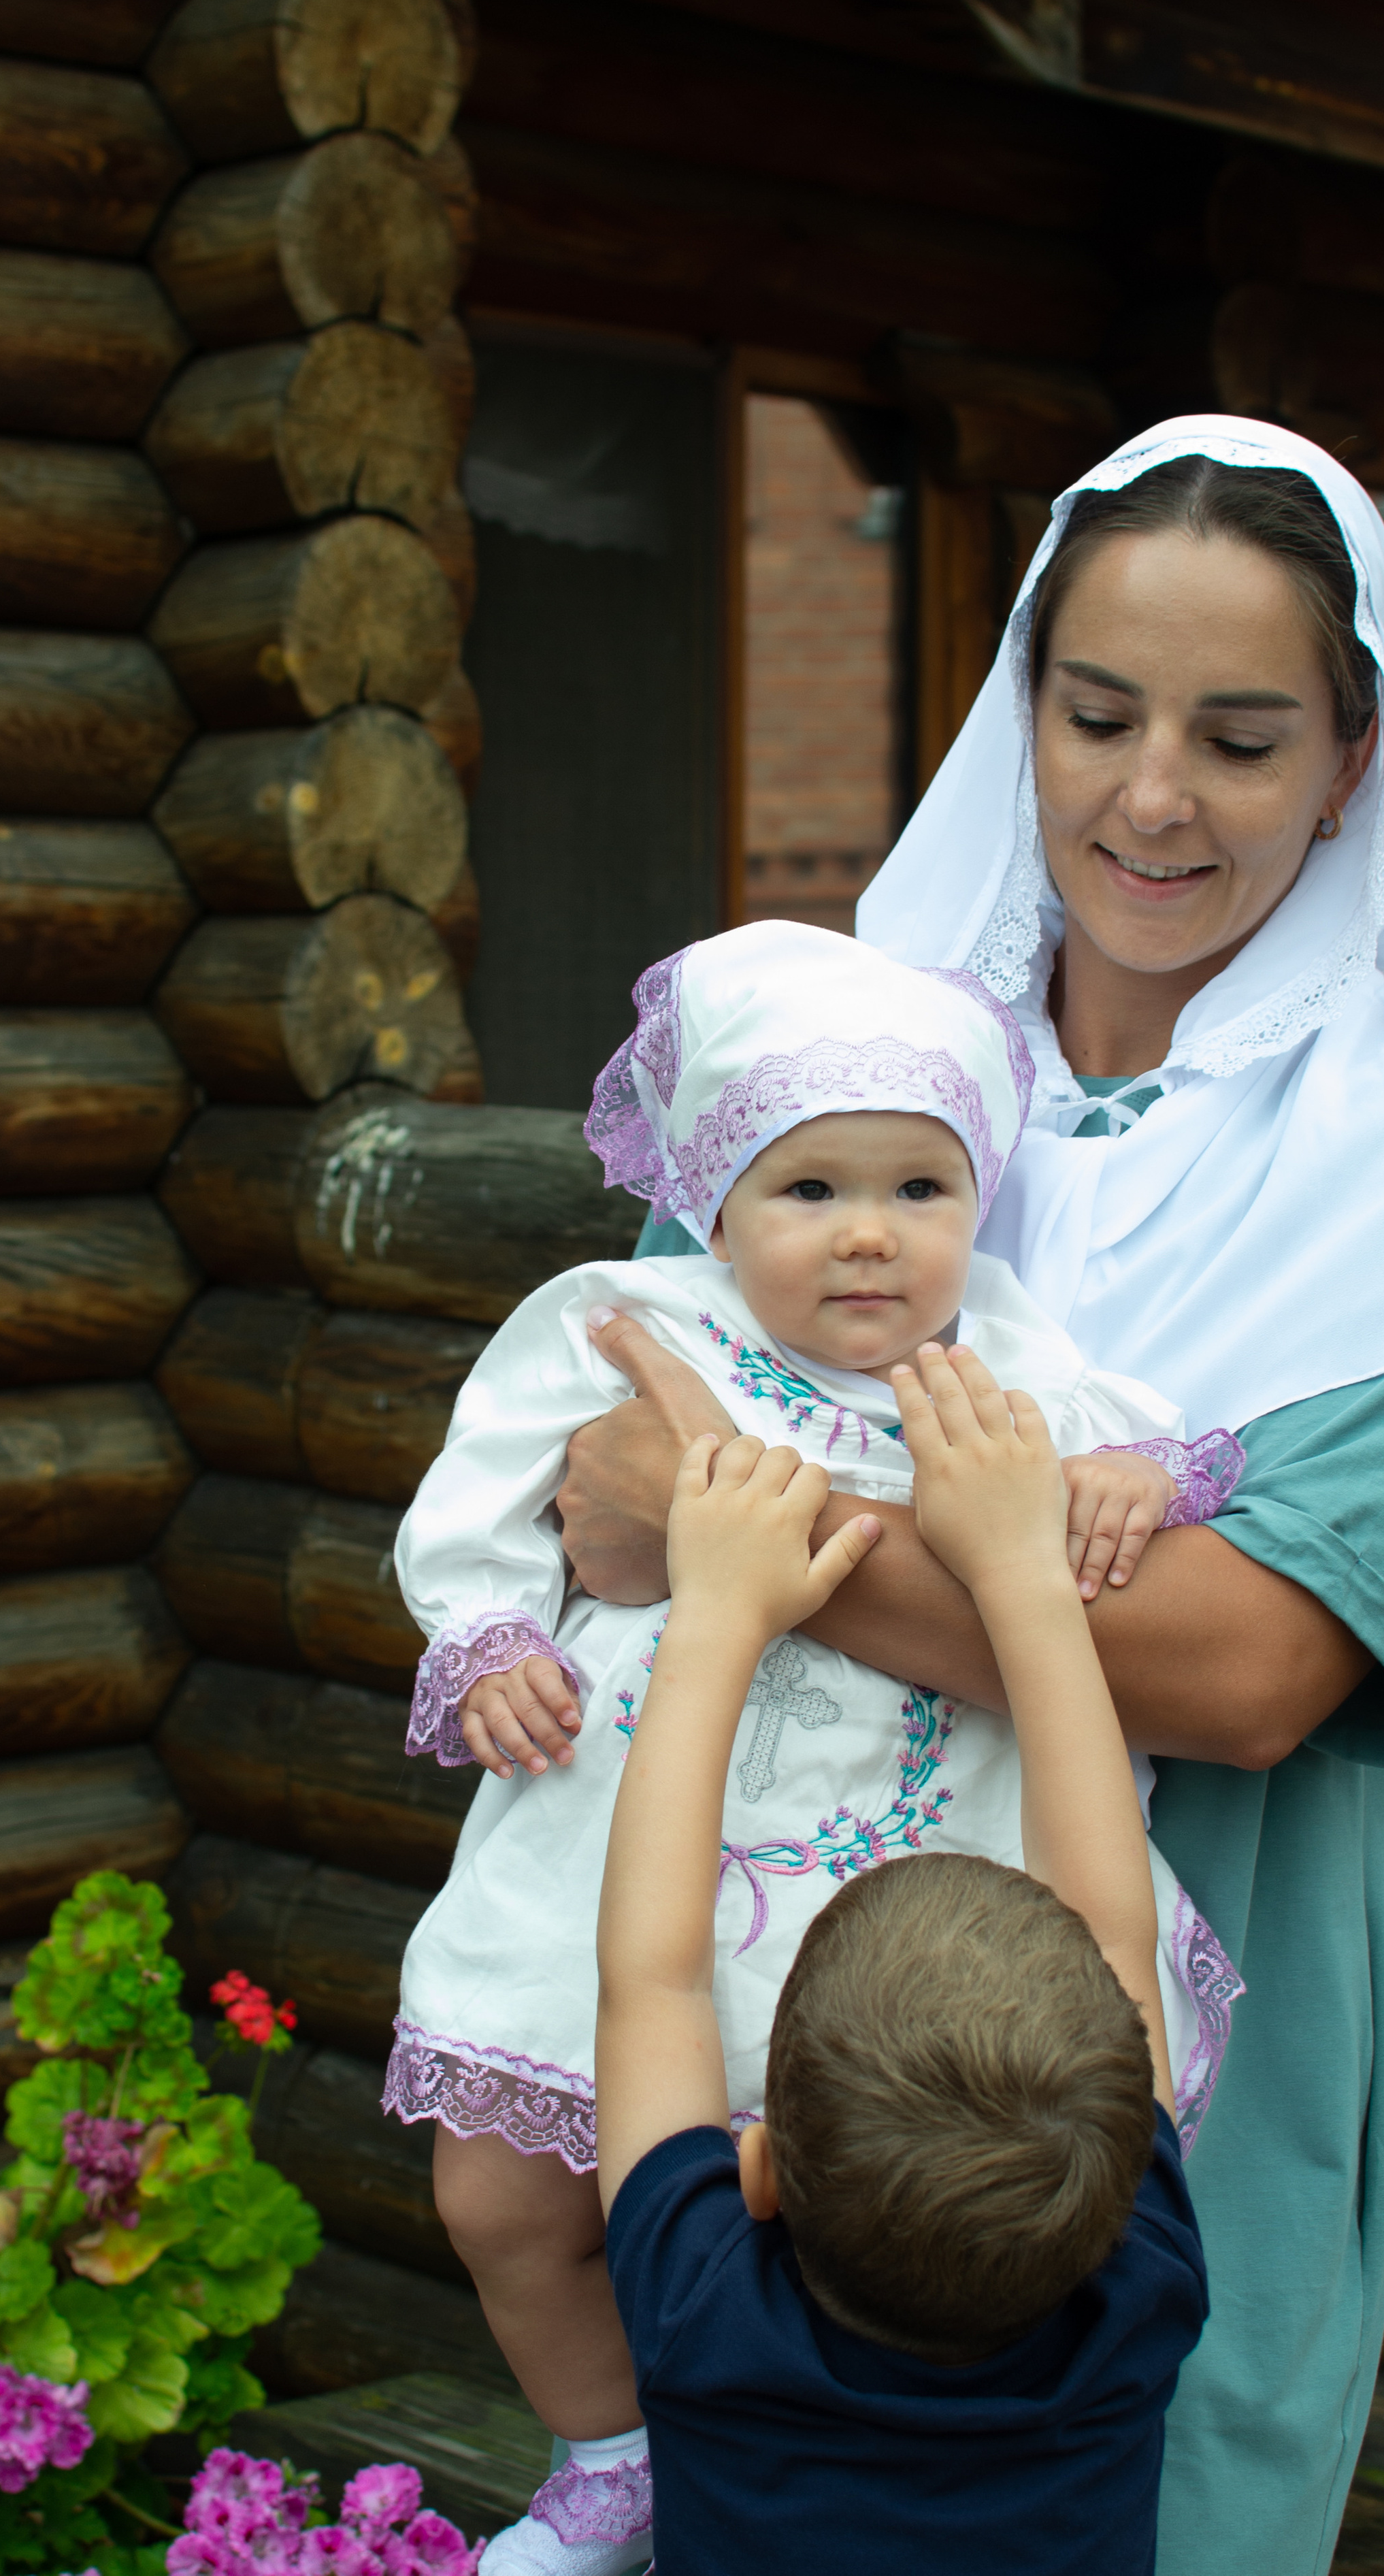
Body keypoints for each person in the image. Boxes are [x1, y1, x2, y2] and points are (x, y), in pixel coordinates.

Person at [559, 418, 1384, 2575]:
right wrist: (657, 1506)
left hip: (1173, 2107)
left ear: (1353, 759)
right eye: (1099, 714)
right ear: (1020, 713)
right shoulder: (889, 1070)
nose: (1153, 796)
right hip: (798, 2056)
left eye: (1241, 739)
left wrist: (745, 1540)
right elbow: (613, 1460)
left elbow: (1248, 1671)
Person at [386, 921, 1243, 2576]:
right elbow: (484, 1482)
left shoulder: (995, 1351)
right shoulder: (624, 1314)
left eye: (918, 1190)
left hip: (908, 1882)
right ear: (713, 1200)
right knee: (499, 2198)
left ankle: (685, 2425)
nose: (871, 1236)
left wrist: (1132, 1475)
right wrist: (485, 1629)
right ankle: (611, 2448)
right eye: (810, 1191)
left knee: (883, 2157)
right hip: (632, 1815)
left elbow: (1126, 1435)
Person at [594, 1346, 1208, 2575]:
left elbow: (652, 1980)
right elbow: (1113, 1928)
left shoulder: (708, 2314)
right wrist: (1025, 1573)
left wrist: (712, 1610)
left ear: (757, 2170)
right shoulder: (1132, 2299)